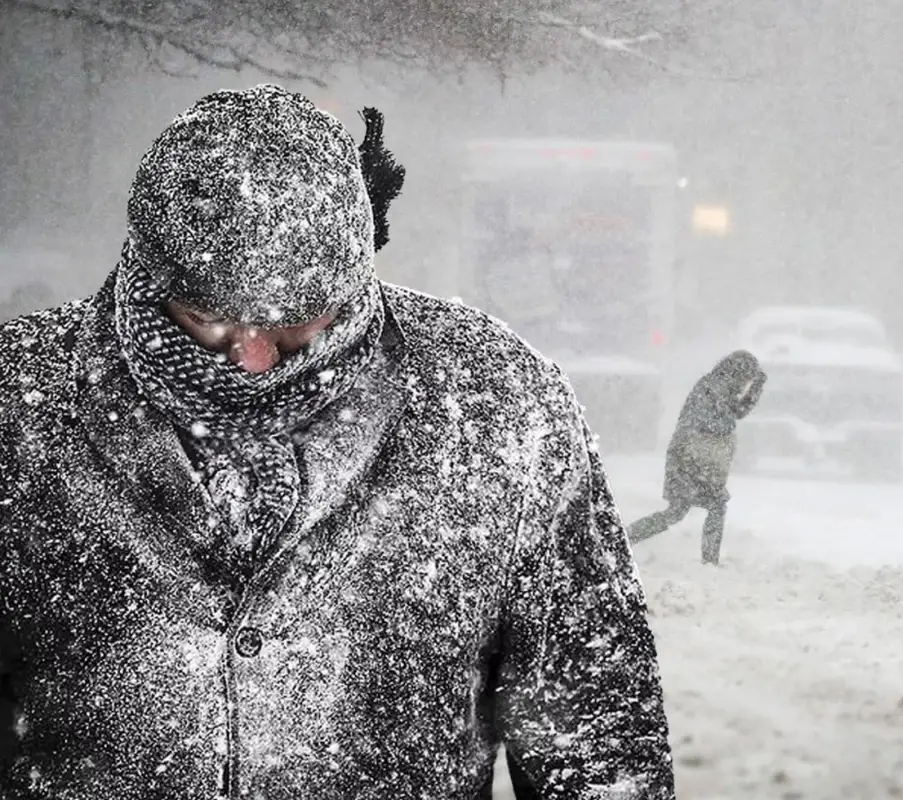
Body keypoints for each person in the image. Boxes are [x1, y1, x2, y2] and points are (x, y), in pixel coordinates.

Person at [0, 85, 674, 799]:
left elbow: (595, 734)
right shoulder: (19, 406)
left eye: (300, 321)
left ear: (358, 274)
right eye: (207, 318)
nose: (255, 357)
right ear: (148, 274)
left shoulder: (497, 405)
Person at [626, 350, 766, 565]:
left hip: (697, 460)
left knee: (691, 509)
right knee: (687, 510)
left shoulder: (720, 387)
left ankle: (626, 538)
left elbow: (736, 412)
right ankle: (625, 538)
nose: (746, 383)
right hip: (688, 461)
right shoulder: (712, 387)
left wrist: (755, 390)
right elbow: (722, 420)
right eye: (747, 378)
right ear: (738, 372)